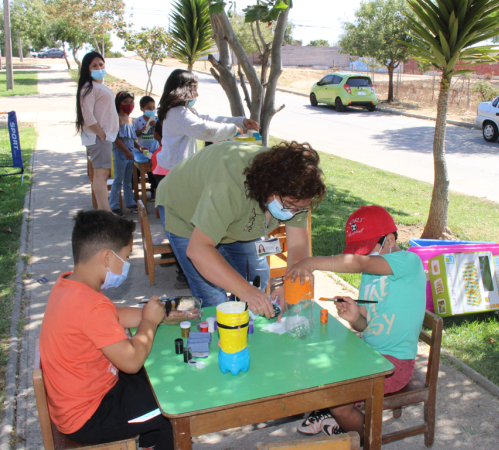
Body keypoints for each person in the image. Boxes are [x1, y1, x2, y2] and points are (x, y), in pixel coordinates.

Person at [39, 210, 198, 450]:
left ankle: (147, 442)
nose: (127, 264)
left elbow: (112, 315)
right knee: (174, 408)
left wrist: (159, 314)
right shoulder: (89, 306)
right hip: (90, 416)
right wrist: (149, 323)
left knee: (158, 379)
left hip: (85, 394)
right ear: (106, 257)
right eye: (125, 256)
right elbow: (131, 361)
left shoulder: (70, 286)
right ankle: (154, 439)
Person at [286, 205, 426, 439]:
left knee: (339, 403)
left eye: (365, 249)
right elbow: (364, 325)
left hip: (395, 364)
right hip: (369, 352)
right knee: (317, 364)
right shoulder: (369, 276)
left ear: (389, 240)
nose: (361, 256)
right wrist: (354, 317)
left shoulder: (408, 261)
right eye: (357, 251)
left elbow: (360, 263)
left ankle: (367, 438)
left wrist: (311, 262)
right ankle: (337, 417)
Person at [156, 140, 326, 316]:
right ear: (268, 187)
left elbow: (298, 246)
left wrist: (289, 287)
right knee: (213, 299)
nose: (292, 213)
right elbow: (199, 249)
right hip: (185, 210)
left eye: (298, 208)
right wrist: (246, 292)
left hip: (232, 215)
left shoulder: (298, 191)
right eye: (289, 205)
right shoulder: (229, 187)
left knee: (258, 279)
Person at [156, 69, 260, 171]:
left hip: (174, 167)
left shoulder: (183, 110)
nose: (197, 95)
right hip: (172, 170)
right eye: (195, 90)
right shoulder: (179, 113)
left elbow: (208, 119)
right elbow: (203, 129)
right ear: (184, 90)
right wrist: (233, 129)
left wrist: (241, 122)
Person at [76, 51, 119, 212]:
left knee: (102, 173)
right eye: (94, 65)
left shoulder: (99, 86)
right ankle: (105, 211)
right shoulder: (89, 88)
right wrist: (101, 134)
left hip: (103, 137)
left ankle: (103, 209)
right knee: (101, 174)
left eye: (101, 64)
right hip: (98, 137)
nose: (99, 67)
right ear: (87, 69)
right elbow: (87, 115)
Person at [110, 91, 147, 217]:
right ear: (119, 104)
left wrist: (138, 147)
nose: (129, 105)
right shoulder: (116, 118)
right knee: (118, 181)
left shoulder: (130, 119)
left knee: (128, 180)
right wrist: (126, 151)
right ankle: (114, 206)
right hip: (121, 154)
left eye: (131, 102)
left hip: (130, 154)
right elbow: (115, 138)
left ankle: (130, 203)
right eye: (125, 102)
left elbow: (131, 138)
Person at [135, 96, 160, 201]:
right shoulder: (138, 120)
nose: (152, 110)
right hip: (141, 151)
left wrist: (156, 126)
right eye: (149, 108)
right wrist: (141, 130)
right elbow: (134, 135)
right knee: (136, 172)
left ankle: (154, 191)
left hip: (154, 150)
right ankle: (134, 193)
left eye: (153, 107)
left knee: (153, 172)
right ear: (142, 109)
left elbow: (161, 133)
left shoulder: (157, 119)